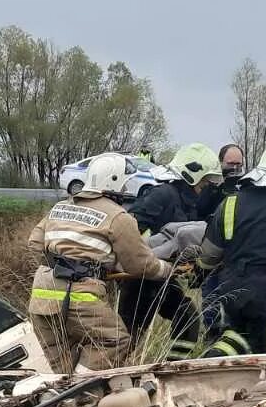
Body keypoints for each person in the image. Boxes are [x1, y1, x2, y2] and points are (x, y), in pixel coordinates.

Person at [28, 152, 173, 372]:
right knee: (116, 340)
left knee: (62, 369)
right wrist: (166, 269)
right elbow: (140, 264)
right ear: (115, 182)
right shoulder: (118, 216)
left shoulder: (60, 207)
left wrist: (62, 264)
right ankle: (82, 385)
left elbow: (34, 243)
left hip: (41, 296)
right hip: (80, 297)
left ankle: (65, 395)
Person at [195, 140, 266, 356]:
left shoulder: (229, 203)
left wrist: (198, 272)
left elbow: (208, 256)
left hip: (231, 291)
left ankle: (204, 370)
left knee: (234, 340)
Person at [118, 144, 223, 358]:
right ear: (191, 174)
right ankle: (115, 373)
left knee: (188, 318)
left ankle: (171, 366)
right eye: (203, 180)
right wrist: (141, 256)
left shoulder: (190, 202)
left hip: (163, 277)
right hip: (140, 279)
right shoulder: (163, 194)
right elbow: (128, 226)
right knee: (130, 337)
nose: (205, 185)